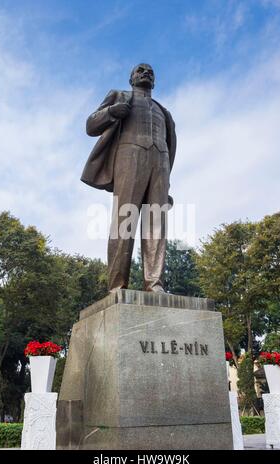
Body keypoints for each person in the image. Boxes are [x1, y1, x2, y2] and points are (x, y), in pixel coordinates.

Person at [81, 63, 176, 292]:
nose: (145, 73)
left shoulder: (164, 111)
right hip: (129, 155)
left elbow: (171, 144)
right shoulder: (119, 95)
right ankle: (117, 285)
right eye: (140, 70)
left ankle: (154, 283)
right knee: (125, 220)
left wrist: (167, 180)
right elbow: (91, 125)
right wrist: (112, 112)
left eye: (150, 72)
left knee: (156, 222)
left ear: (154, 81)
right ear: (131, 78)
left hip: (160, 161)